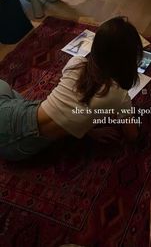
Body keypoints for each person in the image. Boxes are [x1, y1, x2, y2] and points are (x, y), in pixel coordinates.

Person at [0, 16, 143, 161]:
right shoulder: (120, 96)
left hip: (16, 116)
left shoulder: (76, 62)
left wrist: (89, 128)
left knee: (4, 87)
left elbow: (70, 104)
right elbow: (133, 136)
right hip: (16, 146)